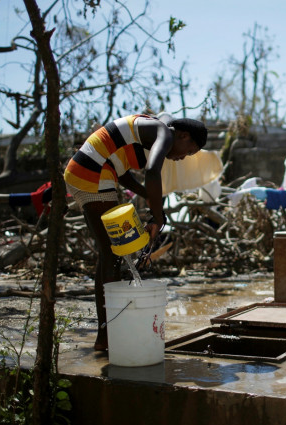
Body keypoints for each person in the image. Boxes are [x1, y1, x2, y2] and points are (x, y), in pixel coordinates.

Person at [64, 114, 207, 351]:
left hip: (93, 172)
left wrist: (151, 199)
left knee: (109, 253)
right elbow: (152, 172)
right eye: (188, 151)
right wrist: (158, 215)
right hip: (92, 174)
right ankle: (107, 336)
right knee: (112, 253)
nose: (182, 158)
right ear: (182, 135)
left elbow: (121, 173)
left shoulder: (150, 132)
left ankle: (105, 335)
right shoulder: (162, 132)